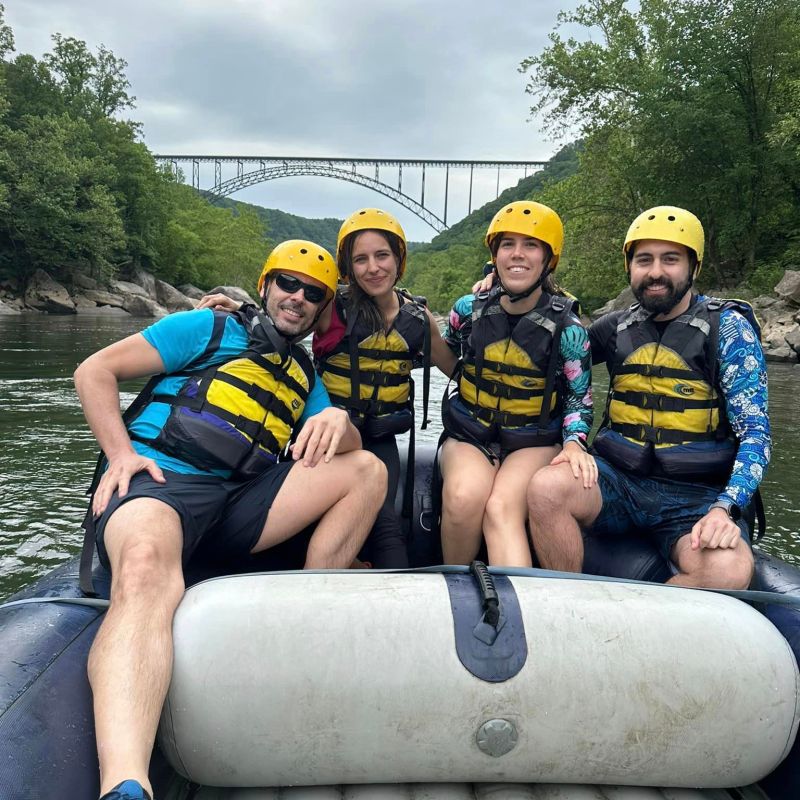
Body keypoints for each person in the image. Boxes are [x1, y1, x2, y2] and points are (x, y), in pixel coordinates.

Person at [74, 240, 387, 800]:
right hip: (163, 484)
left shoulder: (303, 374)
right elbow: (95, 371)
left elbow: (347, 449)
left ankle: (312, 607)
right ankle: (125, 782)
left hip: (239, 504)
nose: (297, 297)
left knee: (367, 469)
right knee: (144, 567)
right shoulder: (206, 328)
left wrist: (340, 420)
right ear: (266, 286)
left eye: (312, 292)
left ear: (321, 308)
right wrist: (120, 456)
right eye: (288, 283)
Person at [527, 206, 770, 589]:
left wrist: (726, 507)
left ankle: (630, 617)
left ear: (694, 267)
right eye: (644, 260)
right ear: (630, 267)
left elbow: (756, 434)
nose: (656, 272)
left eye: (670, 259)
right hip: (616, 480)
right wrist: (506, 286)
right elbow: (553, 356)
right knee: (546, 489)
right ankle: (571, 604)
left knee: (729, 570)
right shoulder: (614, 327)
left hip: (696, 496)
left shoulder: (727, 330)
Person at [201, 208, 457, 569]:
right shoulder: (332, 308)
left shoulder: (418, 319)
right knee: (378, 522)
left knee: (384, 517)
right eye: (361, 259)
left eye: (382, 255)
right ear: (348, 267)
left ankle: (379, 577)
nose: (373, 268)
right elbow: (285, 320)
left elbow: (455, 368)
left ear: (399, 259)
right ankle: (351, 569)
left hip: (380, 437)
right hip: (324, 436)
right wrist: (242, 310)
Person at [440, 200, 596, 567]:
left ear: (547, 259)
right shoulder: (467, 310)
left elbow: (579, 399)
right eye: (507, 244)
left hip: (532, 440)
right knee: (463, 498)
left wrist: (574, 443)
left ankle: (520, 599)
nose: (517, 254)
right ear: (494, 256)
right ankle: (456, 584)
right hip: (471, 434)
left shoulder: (570, 331)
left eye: (531, 245)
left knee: (500, 508)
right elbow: (449, 351)